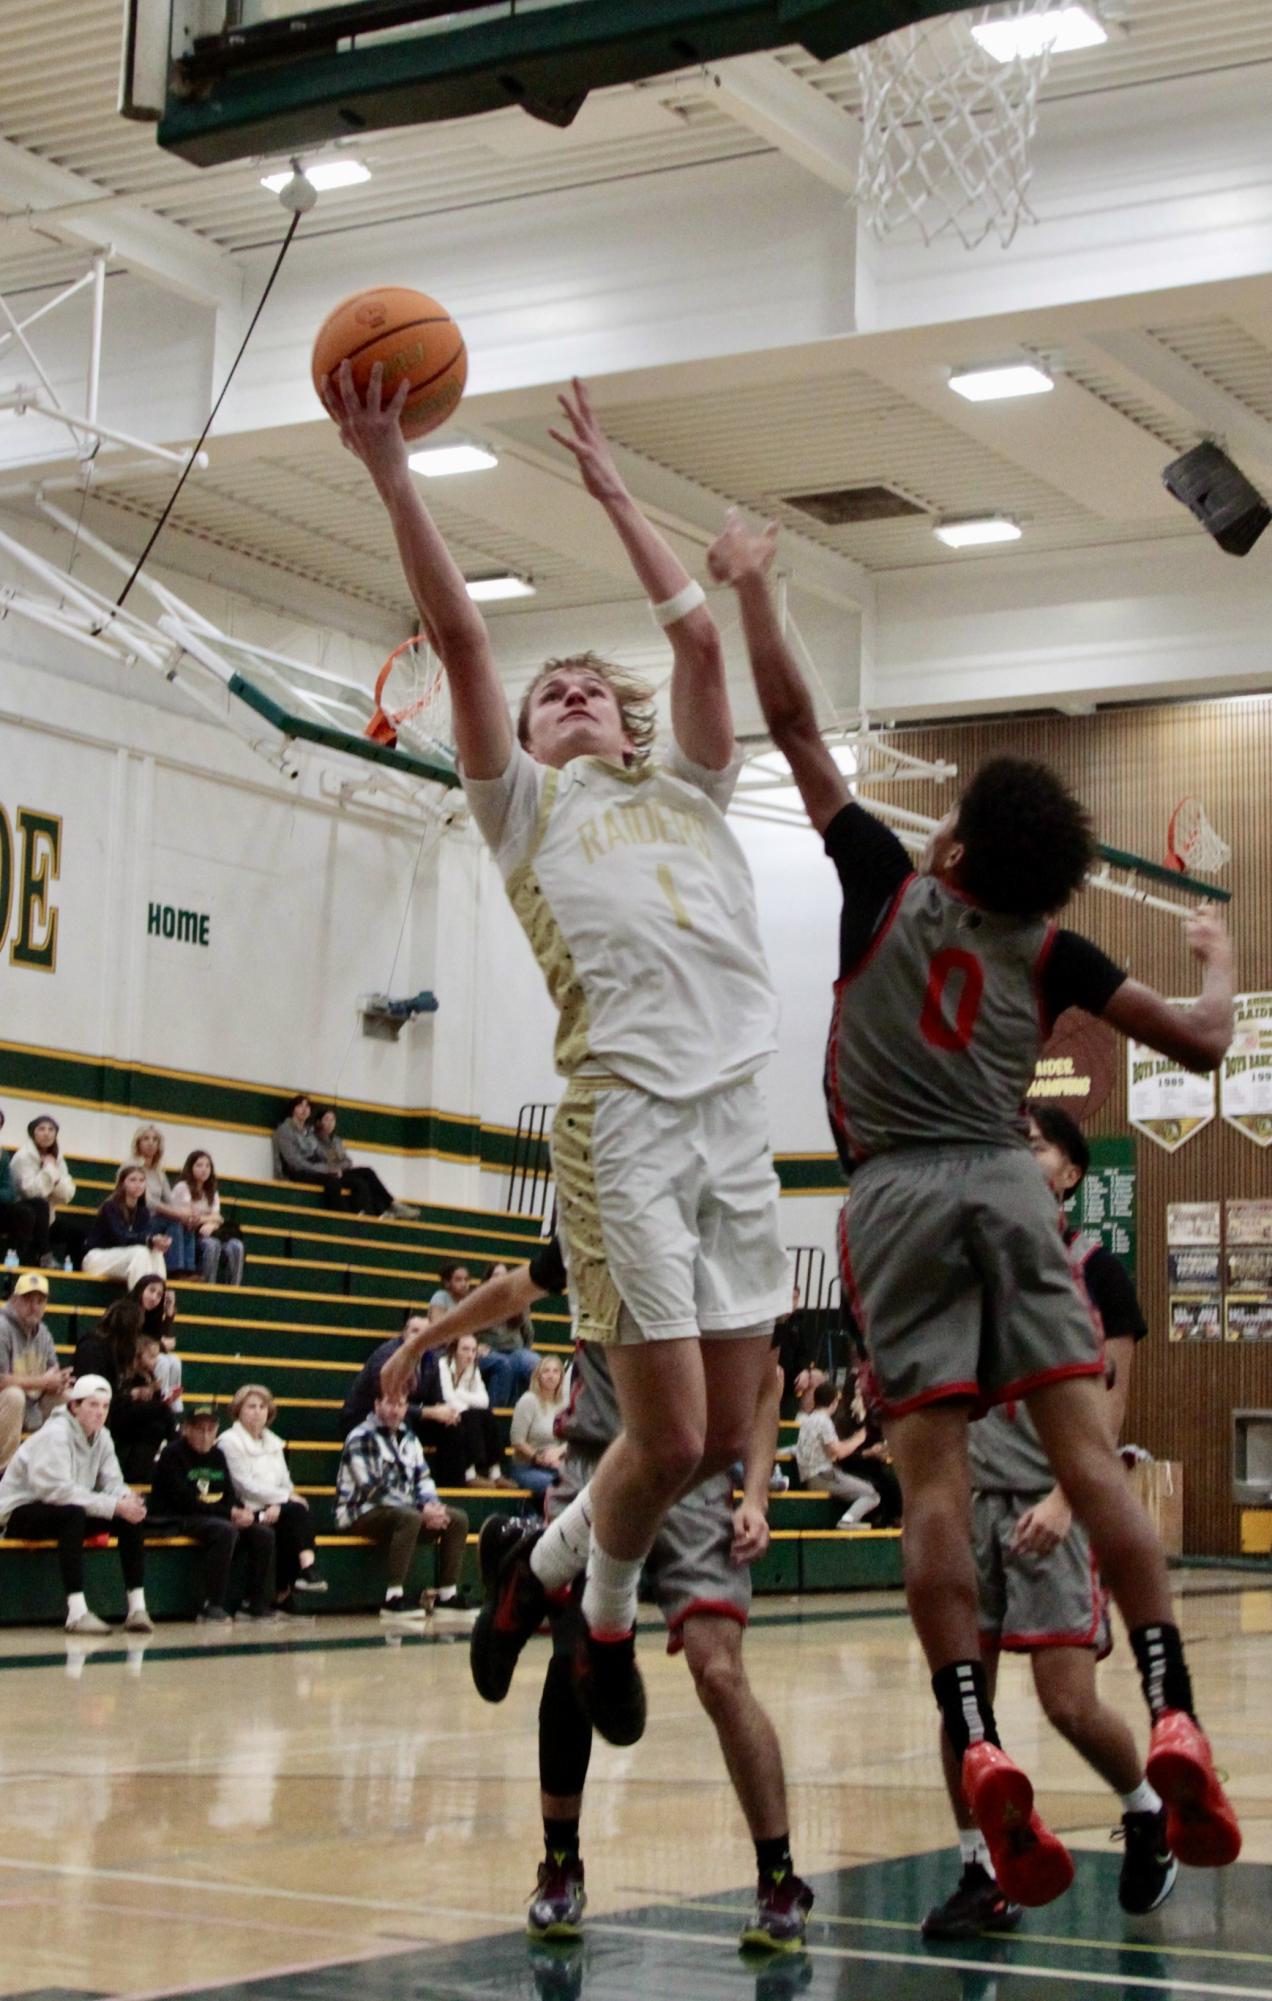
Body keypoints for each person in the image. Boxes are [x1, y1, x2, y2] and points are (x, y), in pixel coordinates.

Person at [709, 508, 1240, 1905]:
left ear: (950, 853)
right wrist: (1221, 946)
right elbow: (1200, 1042)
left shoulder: (888, 885)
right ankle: (1175, 1704)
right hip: (1011, 1180)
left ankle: (970, 1734)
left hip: (890, 1192)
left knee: (931, 1483)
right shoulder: (1049, 944)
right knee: (1087, 1456)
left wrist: (759, 589)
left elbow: (793, 718)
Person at [327, 364, 789, 1749]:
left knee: (706, 1442)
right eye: (554, 692)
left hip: (736, 1128)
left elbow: (703, 651)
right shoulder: (524, 815)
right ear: (523, 744)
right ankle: (597, 1615)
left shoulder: (693, 791)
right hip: (627, 1126)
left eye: (593, 684)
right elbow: (466, 642)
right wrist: (392, 473)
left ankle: (540, 1579)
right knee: (664, 1434)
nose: (575, 689)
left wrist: (615, 493)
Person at [383, 1242, 814, 1954]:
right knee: (571, 1663)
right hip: (592, 1464)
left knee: (719, 1671)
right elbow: (512, 1287)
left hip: (697, 1477)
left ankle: (778, 1875)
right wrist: (424, 1340)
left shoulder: (728, 1232)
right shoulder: (608, 1214)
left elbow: (765, 1383)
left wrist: (759, 1493)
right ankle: (559, 1864)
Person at [924, 1105, 1174, 1938]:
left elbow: (1110, 1404)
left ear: (1069, 1171)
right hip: (974, 1502)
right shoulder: (974, 1265)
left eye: (1032, 1144)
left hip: (1051, 1501)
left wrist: (1070, 1499)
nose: (1016, 1156)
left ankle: (1147, 1813)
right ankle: (979, 1869)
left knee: (1067, 1701)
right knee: (965, 1706)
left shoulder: (1096, 1271)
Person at [0, 1373, 152, 1634]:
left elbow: (112, 1482)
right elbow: (57, 1491)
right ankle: (77, 1612)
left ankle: (137, 1609)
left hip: (62, 1507)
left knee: (129, 1514)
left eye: (104, 1406)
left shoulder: (102, 1436)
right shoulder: (55, 1434)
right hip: (16, 1513)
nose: (99, 1412)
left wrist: (127, 1498)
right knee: (72, 1515)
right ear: (74, 1406)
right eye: (92, 1405)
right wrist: (113, 1505)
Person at [334, 1386, 471, 1629]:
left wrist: (433, 1506)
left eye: (400, 1404)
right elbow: (373, 1490)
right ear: (377, 1405)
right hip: (360, 1512)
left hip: (406, 1511)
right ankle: (393, 1597)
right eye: (389, 1403)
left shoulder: (409, 1438)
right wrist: (421, 1510)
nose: (395, 1409)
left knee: (457, 1518)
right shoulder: (360, 1437)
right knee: (409, 1517)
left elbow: (424, 1479)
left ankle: (447, 1595)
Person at [150, 1406, 277, 1623]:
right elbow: (184, 1500)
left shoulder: (217, 1455)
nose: (206, 1435)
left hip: (213, 1514)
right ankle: (212, 1604)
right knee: (224, 1530)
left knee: (262, 1534)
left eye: (211, 1429)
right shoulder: (172, 1454)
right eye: (200, 1429)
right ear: (187, 1429)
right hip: (177, 1516)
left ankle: (253, 1603)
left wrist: (242, 1512)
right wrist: (230, 1513)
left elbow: (228, 1493)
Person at [219, 1384, 327, 1611]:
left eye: (262, 1406)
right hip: (244, 1511)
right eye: (251, 1406)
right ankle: (307, 1570)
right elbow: (243, 1485)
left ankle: (284, 1592)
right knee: (297, 1510)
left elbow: (284, 1481)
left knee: (293, 1515)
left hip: (273, 1508)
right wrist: (285, 1498)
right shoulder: (229, 1441)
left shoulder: (274, 1443)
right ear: (238, 1410)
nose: (258, 1411)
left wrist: (279, 1503)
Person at [340, 1314, 470, 1489]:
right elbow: (388, 1399)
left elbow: (436, 1398)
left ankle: (451, 1489)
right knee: (402, 1419)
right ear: (404, 1334)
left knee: (453, 1426)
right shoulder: (388, 1355)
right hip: (367, 1415)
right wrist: (429, 1412)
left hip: (405, 1413)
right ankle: (406, 1488)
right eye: (414, 1331)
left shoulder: (430, 1358)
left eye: (425, 1332)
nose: (419, 1336)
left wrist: (446, 1411)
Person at [0, 1272, 72, 1471]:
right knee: (14, 1396)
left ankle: (57, 1469)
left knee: (71, 1400)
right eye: (28, 1299)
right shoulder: (2, 1327)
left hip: (30, 1403)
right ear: (14, 1300)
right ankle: (4, 1472)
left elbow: (52, 1370)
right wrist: (43, 1382)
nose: (34, 1306)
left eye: (40, 1301)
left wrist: (60, 1380)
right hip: (6, 1403)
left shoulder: (44, 1333)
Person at [794, 1381, 880, 1528]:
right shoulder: (824, 1421)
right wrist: (858, 1439)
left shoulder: (808, 1420)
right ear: (834, 1402)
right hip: (822, 1476)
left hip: (811, 1476)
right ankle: (848, 1521)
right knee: (872, 1494)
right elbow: (838, 1453)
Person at [312, 1106, 419, 1219]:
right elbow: (319, 1161)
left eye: (332, 1120)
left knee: (368, 1172)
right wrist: (333, 1169)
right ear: (319, 1122)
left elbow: (348, 1161)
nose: (330, 1123)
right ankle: (376, 1212)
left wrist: (339, 1167)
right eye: (327, 1119)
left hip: (341, 1171)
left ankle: (392, 1204)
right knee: (360, 1182)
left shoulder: (336, 1141)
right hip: (328, 1175)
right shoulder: (313, 1140)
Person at [82, 1166, 170, 1289]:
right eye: (133, 1180)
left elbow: (144, 1237)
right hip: (98, 1258)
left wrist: (157, 1242)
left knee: (156, 1252)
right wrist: (149, 1240)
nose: (138, 1184)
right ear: (122, 1184)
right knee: (141, 1252)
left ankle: (159, 1298)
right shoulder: (110, 1207)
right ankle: (138, 1301)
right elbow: (121, 1237)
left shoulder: (143, 1212)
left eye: (141, 1180)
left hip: (127, 1259)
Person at [10, 1115, 79, 1267]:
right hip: (20, 1212)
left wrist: (52, 1175)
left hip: (46, 1217)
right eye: (41, 1129)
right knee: (40, 1204)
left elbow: (68, 1194)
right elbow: (31, 1192)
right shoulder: (23, 1157)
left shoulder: (57, 1158)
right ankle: (44, 1255)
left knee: (77, 1233)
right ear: (33, 1133)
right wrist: (49, 1170)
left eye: (51, 1129)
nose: (47, 1133)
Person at [168, 1151, 245, 1286]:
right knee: (212, 1245)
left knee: (236, 1246)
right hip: (190, 1234)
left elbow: (218, 1217)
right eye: (199, 1165)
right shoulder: (182, 1187)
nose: (204, 1169)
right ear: (190, 1167)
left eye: (207, 1166)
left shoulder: (211, 1190)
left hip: (210, 1231)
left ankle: (233, 1288)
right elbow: (190, 1217)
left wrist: (211, 1224)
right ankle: (209, 1286)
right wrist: (209, 1220)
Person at [111, 1329, 178, 1482]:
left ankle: (139, 1470)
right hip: (122, 1417)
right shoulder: (125, 1374)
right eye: (151, 1356)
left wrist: (159, 1394)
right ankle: (178, 1442)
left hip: (140, 1423)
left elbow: (152, 1404)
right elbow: (118, 1398)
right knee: (162, 1410)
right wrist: (135, 1393)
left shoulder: (149, 1376)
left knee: (158, 1427)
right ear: (138, 1356)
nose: (155, 1361)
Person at [439, 1331, 506, 1485]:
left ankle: (495, 1473)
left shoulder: (473, 1369)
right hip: (443, 1413)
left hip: (461, 1411)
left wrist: (459, 1393)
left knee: (488, 1415)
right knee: (471, 1417)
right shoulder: (443, 1365)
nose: (470, 1355)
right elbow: (447, 1397)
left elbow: (484, 1400)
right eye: (465, 1349)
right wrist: (467, 1403)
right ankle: (469, 1475)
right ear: (455, 1350)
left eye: (473, 1350)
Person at [476, 1260, 538, 1410]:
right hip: (489, 1350)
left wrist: (525, 1351)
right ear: (488, 1279)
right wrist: (476, 1345)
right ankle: (495, 1413)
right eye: (496, 1275)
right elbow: (465, 1330)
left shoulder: (519, 1300)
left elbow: (528, 1332)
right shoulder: (478, 1301)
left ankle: (534, 1411)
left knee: (535, 1364)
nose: (500, 1278)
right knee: (504, 1365)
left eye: (504, 1275)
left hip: (515, 1350)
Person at [508, 1354, 569, 1507]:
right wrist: (539, 1458)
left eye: (556, 1371)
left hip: (558, 1464)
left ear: (561, 1377)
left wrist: (559, 1452)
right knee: (555, 1486)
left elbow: (571, 1440)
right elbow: (517, 1441)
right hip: (528, 1466)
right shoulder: (529, 1400)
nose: (551, 1376)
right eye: (546, 1371)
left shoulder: (564, 1403)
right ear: (538, 1376)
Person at [129, 1126, 194, 1266]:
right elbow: (147, 1201)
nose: (151, 1142)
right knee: (173, 1220)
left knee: (186, 1224)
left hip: (157, 1219)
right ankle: (176, 1269)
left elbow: (170, 1200)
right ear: (138, 1143)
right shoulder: (131, 1167)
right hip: (138, 1220)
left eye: (155, 1140)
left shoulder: (159, 1173)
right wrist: (177, 1214)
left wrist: (185, 1215)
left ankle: (188, 1269)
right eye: (146, 1139)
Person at [0, 1108, 53, 1267]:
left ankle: (39, 1256)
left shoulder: (2, 1154)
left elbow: (9, 1191)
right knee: (24, 1212)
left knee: (39, 1205)